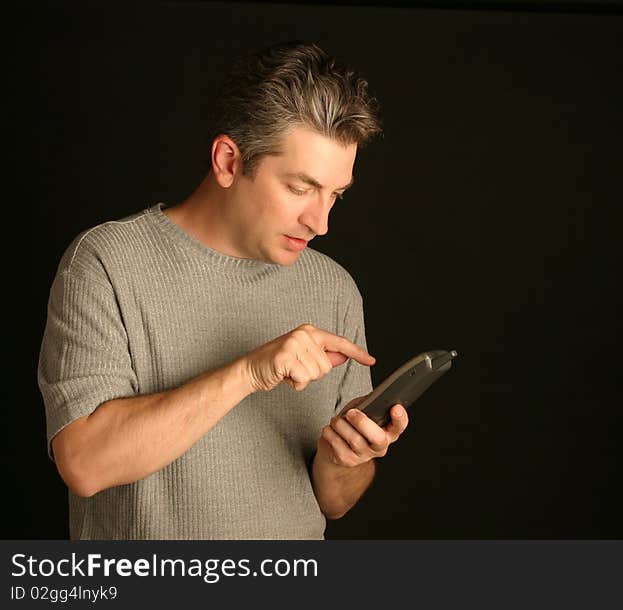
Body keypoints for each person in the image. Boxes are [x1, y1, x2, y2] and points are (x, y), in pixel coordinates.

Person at [36, 41, 408, 539]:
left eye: (335, 195)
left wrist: (348, 460)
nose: (320, 222)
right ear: (229, 161)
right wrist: (250, 371)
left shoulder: (333, 287)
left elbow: (333, 503)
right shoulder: (107, 262)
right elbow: (83, 464)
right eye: (300, 188)